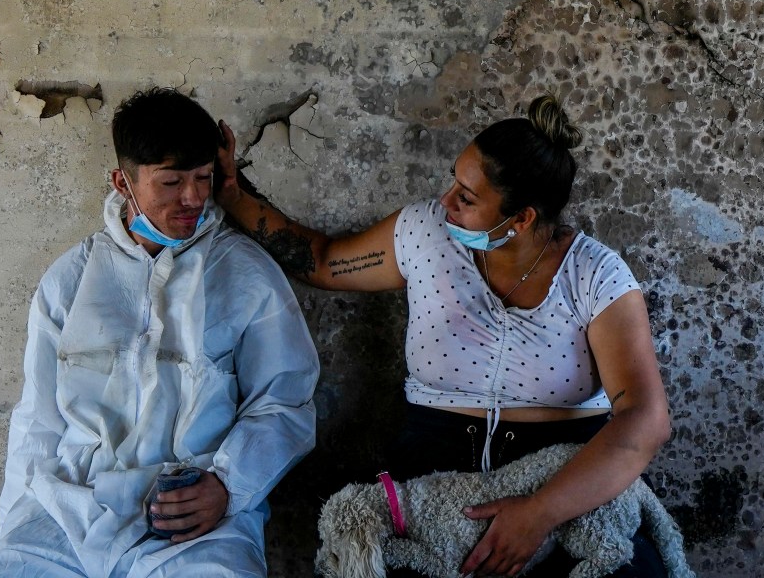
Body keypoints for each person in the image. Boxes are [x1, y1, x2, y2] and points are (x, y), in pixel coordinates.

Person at [217, 96, 672, 578]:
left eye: (467, 198)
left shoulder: (595, 275)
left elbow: (645, 420)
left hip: (560, 475)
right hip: (432, 467)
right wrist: (232, 196)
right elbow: (325, 261)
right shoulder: (424, 233)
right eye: (455, 181)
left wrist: (539, 512)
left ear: (522, 219)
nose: (446, 202)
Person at [0, 88, 320, 578]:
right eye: (171, 182)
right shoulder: (69, 281)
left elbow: (284, 400)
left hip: (194, 519)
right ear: (124, 182)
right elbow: (38, 418)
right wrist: (14, 525)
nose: (194, 198)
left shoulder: (245, 276)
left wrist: (227, 484)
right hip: (72, 507)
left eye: (204, 178)